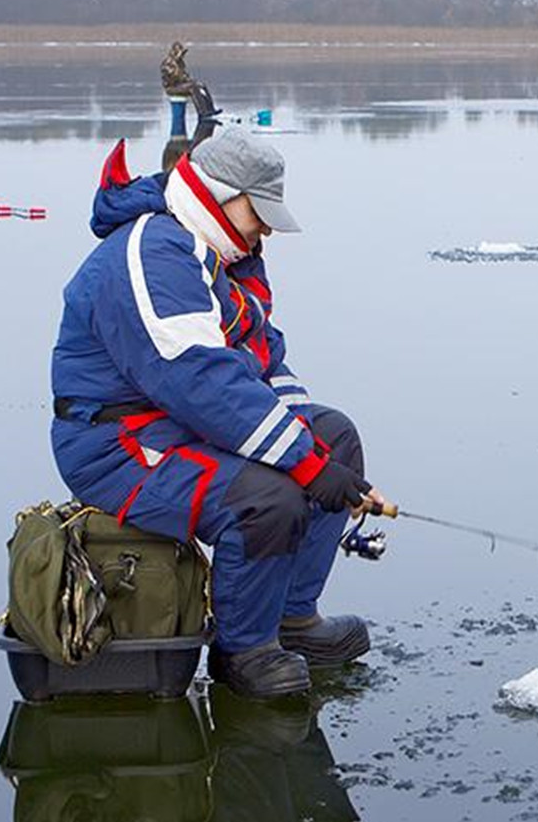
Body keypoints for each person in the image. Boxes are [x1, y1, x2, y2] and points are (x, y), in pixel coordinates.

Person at [50, 126, 382, 698]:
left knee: (336, 439)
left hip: (181, 425)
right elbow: (202, 382)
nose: (269, 229)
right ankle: (243, 650)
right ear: (221, 196)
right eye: (261, 212)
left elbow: (262, 363)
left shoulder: (222, 256)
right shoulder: (153, 253)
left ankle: (291, 619)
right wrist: (304, 467)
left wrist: (316, 452)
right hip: (118, 445)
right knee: (265, 499)